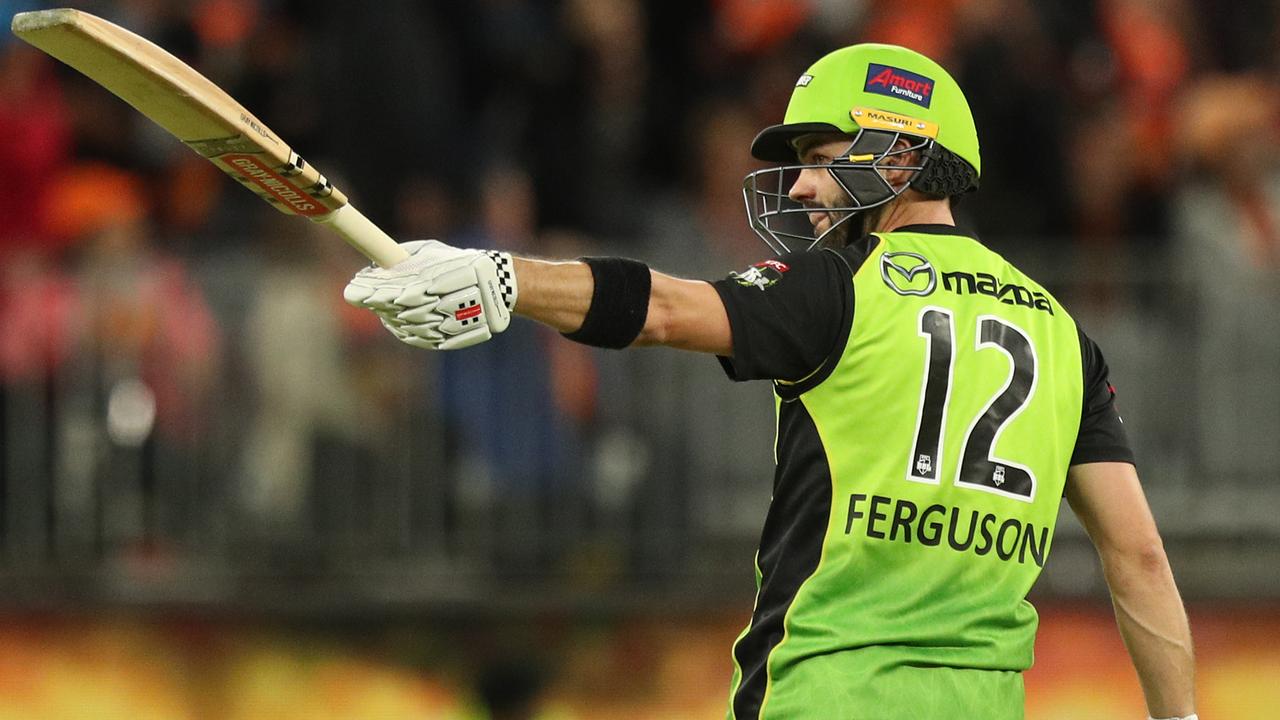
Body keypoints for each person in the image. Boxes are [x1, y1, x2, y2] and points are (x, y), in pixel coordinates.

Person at [344, 44, 1196, 720]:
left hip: (825, 697)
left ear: (901, 157)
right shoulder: (1064, 335)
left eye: (824, 156)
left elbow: (666, 311)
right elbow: (1141, 557)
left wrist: (504, 278)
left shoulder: (846, 285)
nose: (801, 184)